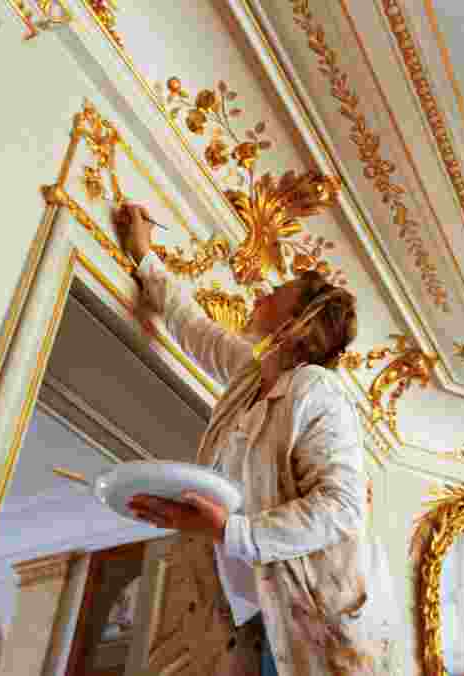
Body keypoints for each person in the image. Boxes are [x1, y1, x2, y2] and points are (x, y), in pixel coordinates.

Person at [113, 204, 397, 676]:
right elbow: (191, 325)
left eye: (279, 291)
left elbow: (342, 505)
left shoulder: (316, 389)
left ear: (299, 321)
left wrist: (231, 530)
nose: (264, 291)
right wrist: (144, 256)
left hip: (307, 617)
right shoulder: (251, 374)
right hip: (250, 611)